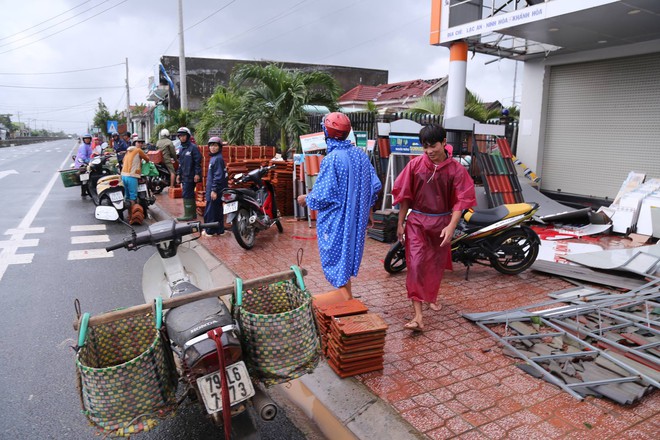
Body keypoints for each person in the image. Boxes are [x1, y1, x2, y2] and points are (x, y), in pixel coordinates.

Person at [392, 124, 476, 332]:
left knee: (433, 266)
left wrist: (451, 225)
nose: (429, 151)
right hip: (417, 223)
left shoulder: (456, 170)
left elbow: (462, 200)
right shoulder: (415, 166)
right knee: (416, 264)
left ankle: (430, 296)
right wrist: (400, 223)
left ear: (444, 143)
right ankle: (418, 317)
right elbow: (405, 196)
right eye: (425, 147)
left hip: (441, 224)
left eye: (433, 146)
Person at [297, 112, 381, 298]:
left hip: (337, 221)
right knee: (347, 256)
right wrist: (368, 210)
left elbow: (323, 195)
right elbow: (375, 185)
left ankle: (345, 300)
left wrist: (306, 199)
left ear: (327, 132)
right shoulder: (361, 156)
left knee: (336, 257)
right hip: (356, 220)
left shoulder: (332, 159)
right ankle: (347, 295)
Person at [202, 136, 228, 236]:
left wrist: (214, 190)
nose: (213, 148)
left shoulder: (217, 159)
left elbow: (218, 176)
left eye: (215, 146)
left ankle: (210, 231)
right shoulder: (215, 158)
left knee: (211, 211)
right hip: (215, 189)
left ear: (219, 147)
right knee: (217, 210)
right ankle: (219, 230)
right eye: (211, 145)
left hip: (215, 190)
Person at [175, 126, 202, 221]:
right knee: (186, 193)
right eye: (180, 136)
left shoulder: (193, 148)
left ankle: (189, 214)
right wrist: (178, 174)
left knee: (187, 193)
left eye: (183, 136)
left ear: (188, 136)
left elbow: (197, 162)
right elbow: (180, 163)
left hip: (191, 175)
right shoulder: (181, 148)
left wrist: (197, 174)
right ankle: (191, 213)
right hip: (184, 175)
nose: (182, 138)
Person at [121, 138, 150, 206]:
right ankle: (134, 215)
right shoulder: (138, 150)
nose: (140, 144)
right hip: (132, 176)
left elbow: (123, 161)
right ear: (135, 143)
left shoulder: (128, 151)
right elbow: (147, 159)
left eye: (141, 143)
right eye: (139, 142)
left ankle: (129, 215)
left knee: (127, 196)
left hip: (123, 175)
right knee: (133, 197)